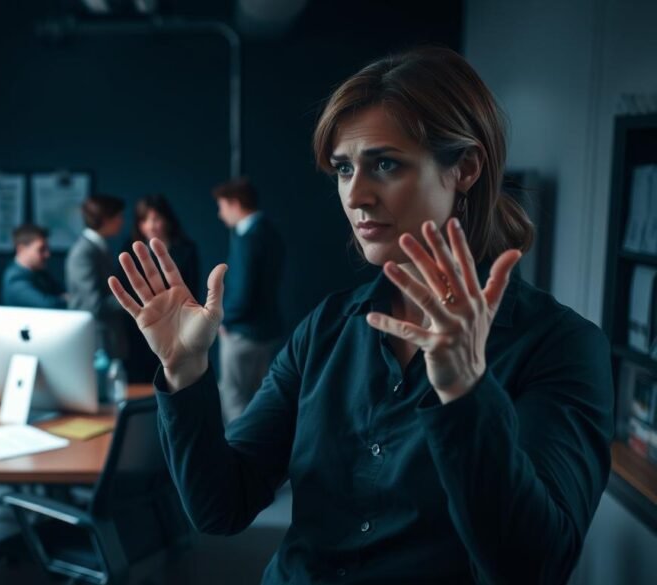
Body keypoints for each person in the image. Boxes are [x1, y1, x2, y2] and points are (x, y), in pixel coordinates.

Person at [108, 47, 612, 584]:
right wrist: (187, 371)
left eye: (385, 164)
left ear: (464, 168)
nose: (355, 193)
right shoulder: (326, 329)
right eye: (344, 168)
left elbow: (533, 569)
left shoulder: (559, 346)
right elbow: (221, 507)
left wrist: (466, 395)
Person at [212, 177, 285, 422]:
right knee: (257, 400)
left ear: (234, 203)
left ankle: (238, 457)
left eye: (221, 207)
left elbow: (242, 293)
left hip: (241, 334)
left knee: (233, 400)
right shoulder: (270, 232)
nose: (220, 215)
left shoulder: (246, 239)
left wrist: (222, 320)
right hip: (266, 332)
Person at [120, 194, 201, 382]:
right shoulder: (130, 248)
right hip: (138, 328)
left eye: (155, 219)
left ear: (167, 219)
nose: (150, 226)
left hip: (175, 325)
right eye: (144, 220)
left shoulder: (186, 249)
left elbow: (192, 292)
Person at [66, 194, 127, 359]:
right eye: (118, 216)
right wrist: (133, 300)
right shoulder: (84, 252)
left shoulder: (98, 247)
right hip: (96, 342)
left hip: (107, 339)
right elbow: (94, 304)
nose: (121, 221)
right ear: (105, 219)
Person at [0, 223, 65, 309]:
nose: (47, 254)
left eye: (47, 248)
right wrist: (64, 300)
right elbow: (48, 305)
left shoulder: (40, 273)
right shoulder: (15, 279)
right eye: (41, 249)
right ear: (21, 249)